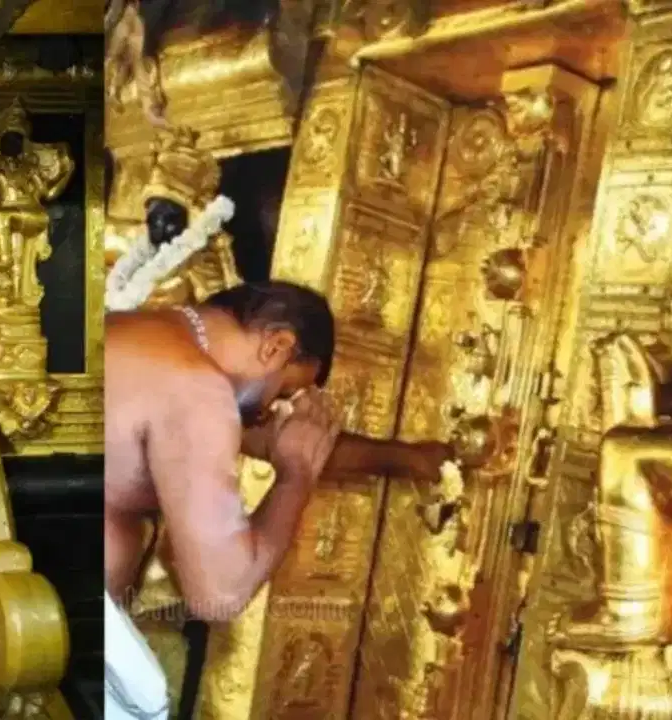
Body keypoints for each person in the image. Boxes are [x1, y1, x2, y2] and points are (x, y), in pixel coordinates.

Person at [104, 280, 463, 718]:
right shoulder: (197, 389)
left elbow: (281, 441)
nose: (271, 411)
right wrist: (295, 479)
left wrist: (409, 459)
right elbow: (220, 594)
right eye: (286, 393)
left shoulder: (148, 338)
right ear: (276, 346)